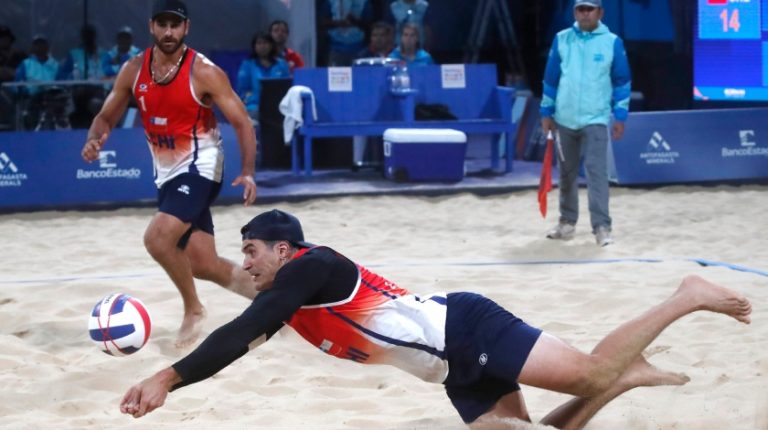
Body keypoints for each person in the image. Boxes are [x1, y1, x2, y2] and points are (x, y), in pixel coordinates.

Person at [119, 209, 752, 429]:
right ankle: (624, 378)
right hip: (448, 365)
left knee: (586, 376)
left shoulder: (310, 267)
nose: (246, 263)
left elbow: (237, 334)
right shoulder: (292, 289)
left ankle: (684, 296)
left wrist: (166, 379)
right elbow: (236, 321)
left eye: (252, 252)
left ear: (283, 249)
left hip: (465, 328)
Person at [80, 0, 258, 348]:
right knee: (203, 263)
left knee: (157, 238)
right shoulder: (134, 70)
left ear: (186, 28)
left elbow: (241, 122)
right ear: (151, 27)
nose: (168, 32)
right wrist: (93, 138)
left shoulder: (204, 72)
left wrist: (248, 171)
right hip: (166, 172)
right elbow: (105, 117)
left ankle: (193, 309)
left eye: (175, 25)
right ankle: (271, 299)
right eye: (162, 24)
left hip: (201, 166)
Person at [539, 0, 631, 247]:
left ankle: (602, 227)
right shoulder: (562, 39)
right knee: (567, 174)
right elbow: (551, 79)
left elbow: (622, 82)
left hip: (595, 118)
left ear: (600, 12)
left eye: (590, 9)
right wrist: (546, 112)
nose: (585, 13)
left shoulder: (612, 42)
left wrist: (620, 116)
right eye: (581, 9)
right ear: (574, 12)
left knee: (596, 173)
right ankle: (567, 223)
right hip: (564, 118)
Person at [14, 34, 71, 130]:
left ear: (47, 46)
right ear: (32, 47)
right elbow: (17, 83)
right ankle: (32, 131)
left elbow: (62, 83)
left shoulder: (55, 64)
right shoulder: (25, 64)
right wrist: (25, 91)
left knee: (57, 103)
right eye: (37, 44)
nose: (40, 47)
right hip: (32, 96)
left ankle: (57, 127)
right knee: (31, 108)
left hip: (52, 96)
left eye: (42, 44)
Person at [235, 32, 290, 124]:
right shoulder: (247, 65)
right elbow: (242, 90)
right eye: (259, 43)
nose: (262, 46)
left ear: (271, 45)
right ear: (254, 46)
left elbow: (287, 85)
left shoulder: (281, 64)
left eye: (265, 43)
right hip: (254, 106)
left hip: (279, 105)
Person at [320, 0, 373, 66]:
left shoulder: (364, 2)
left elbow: (370, 25)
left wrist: (355, 21)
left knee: (358, 74)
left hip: (358, 47)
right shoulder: (330, 2)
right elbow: (322, 22)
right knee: (336, 75)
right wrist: (338, 23)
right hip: (335, 46)